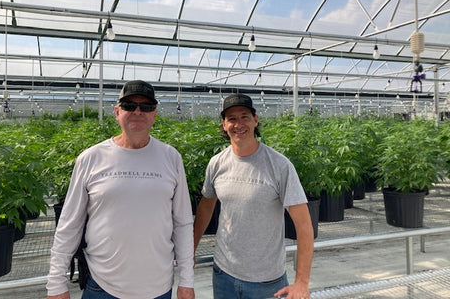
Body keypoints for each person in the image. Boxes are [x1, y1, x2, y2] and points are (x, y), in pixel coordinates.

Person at [47, 80, 195, 299]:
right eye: (129, 106)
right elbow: (69, 224)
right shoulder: (91, 158)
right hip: (103, 286)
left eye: (146, 107)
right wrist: (56, 283)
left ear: (154, 114)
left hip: (158, 287)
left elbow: (182, 222)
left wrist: (187, 280)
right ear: (117, 112)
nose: (138, 111)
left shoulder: (171, 157)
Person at [193, 93, 314, 299]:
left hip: (267, 282)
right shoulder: (217, 163)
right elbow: (206, 207)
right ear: (224, 124)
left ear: (255, 120)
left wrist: (301, 281)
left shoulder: (279, 165)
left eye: (244, 117)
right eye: (231, 119)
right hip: (223, 275)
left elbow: (304, 225)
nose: (238, 124)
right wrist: (191, 249)